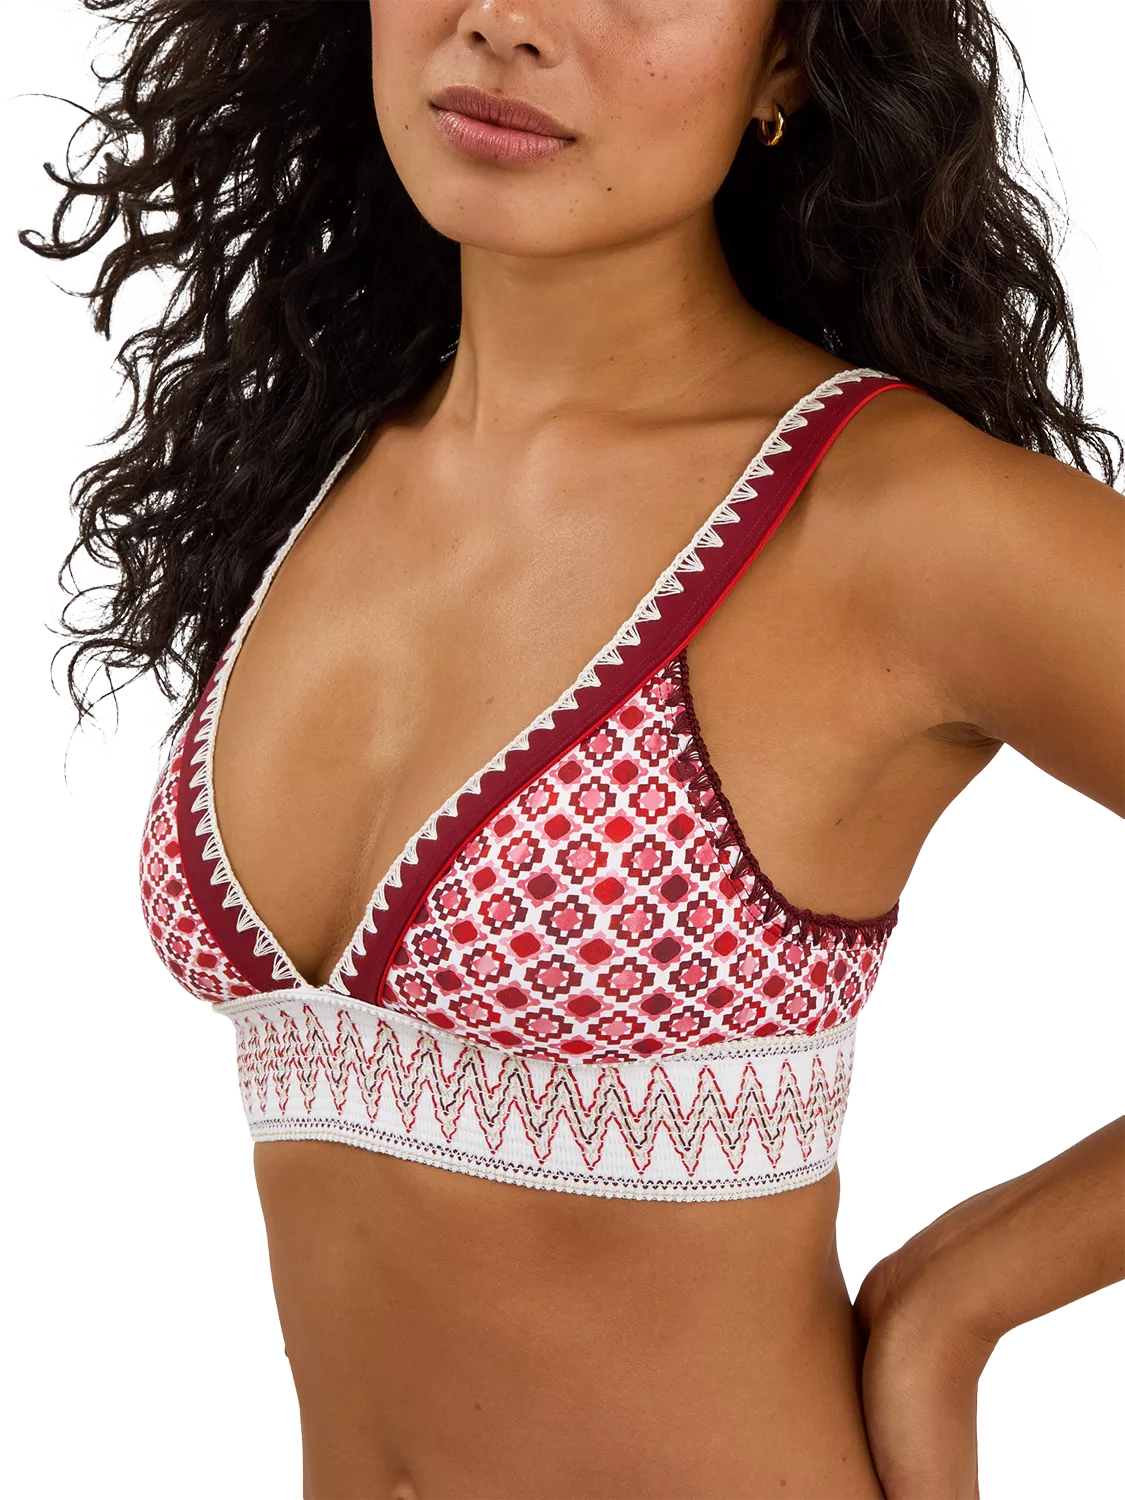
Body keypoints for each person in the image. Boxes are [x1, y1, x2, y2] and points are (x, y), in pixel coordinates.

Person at [24, 2, 1125, 1497]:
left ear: (789, 56)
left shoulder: (892, 521)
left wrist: (959, 1304)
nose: (505, 20)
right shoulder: (324, 455)